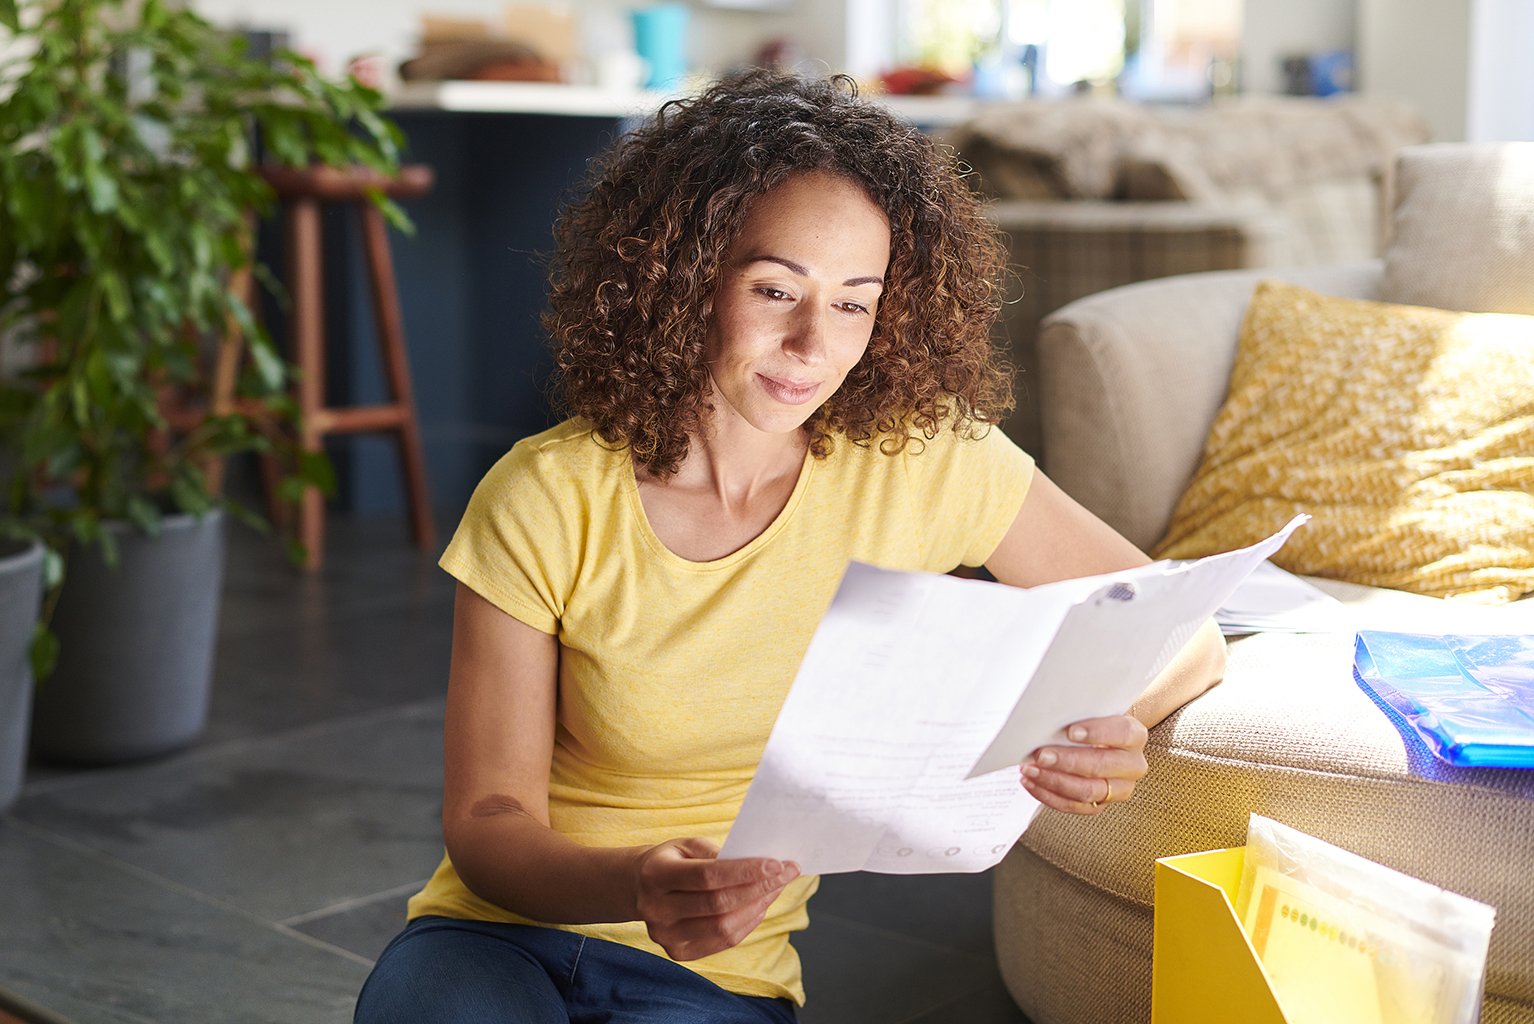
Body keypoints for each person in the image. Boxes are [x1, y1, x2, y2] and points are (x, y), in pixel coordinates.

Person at [354, 70, 1226, 1024]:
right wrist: (636, 884)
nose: (815, 342)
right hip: (497, 937)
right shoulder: (547, 495)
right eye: (776, 289)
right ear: (680, 278)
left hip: (715, 976)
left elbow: (1183, 631)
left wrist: (1115, 724)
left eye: (855, 302)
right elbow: (487, 824)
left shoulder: (926, 462)